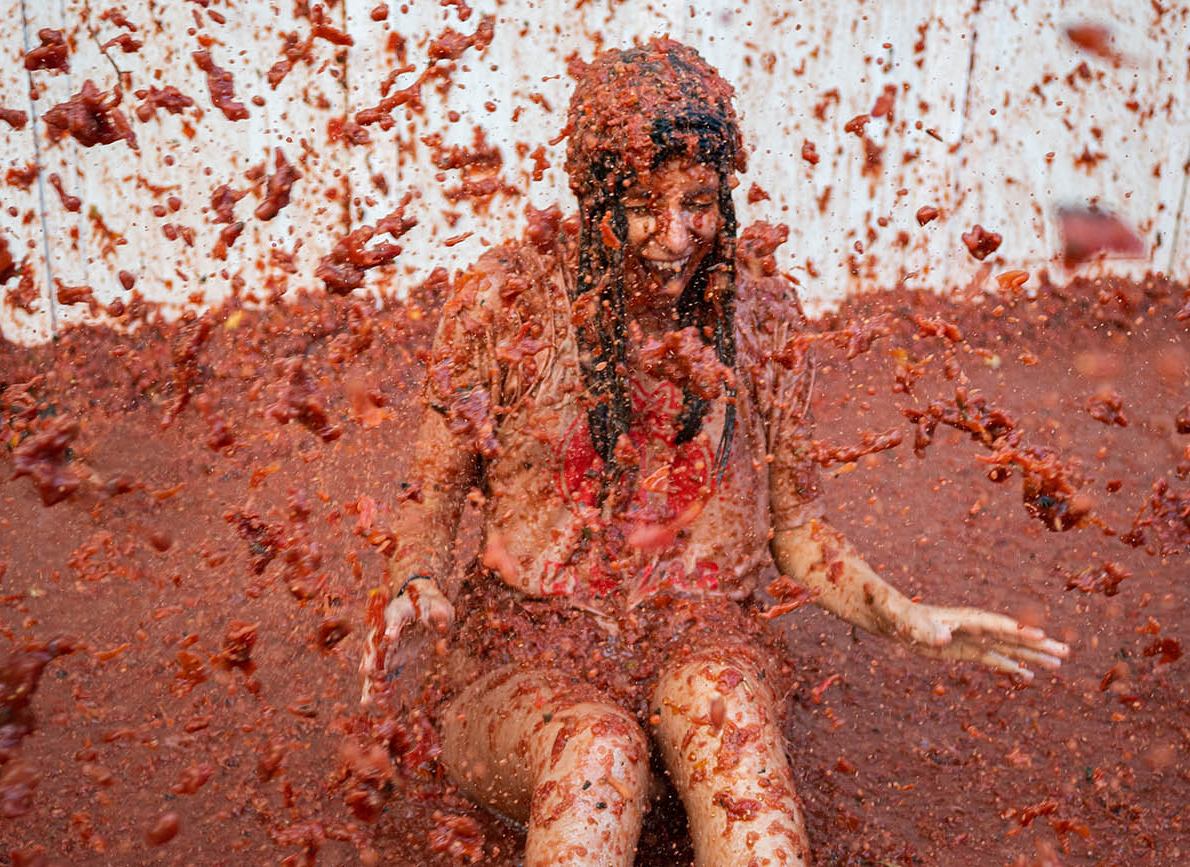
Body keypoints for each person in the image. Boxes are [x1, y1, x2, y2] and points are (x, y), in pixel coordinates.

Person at [361, 38, 1069, 866]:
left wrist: (903, 614)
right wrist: (412, 579)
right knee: (597, 752)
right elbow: (432, 491)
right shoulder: (504, 306)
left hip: (699, 635)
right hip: (525, 659)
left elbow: (797, 527)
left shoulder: (761, 317)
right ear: (593, 197)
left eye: (698, 202)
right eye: (641, 205)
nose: (673, 236)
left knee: (726, 715)